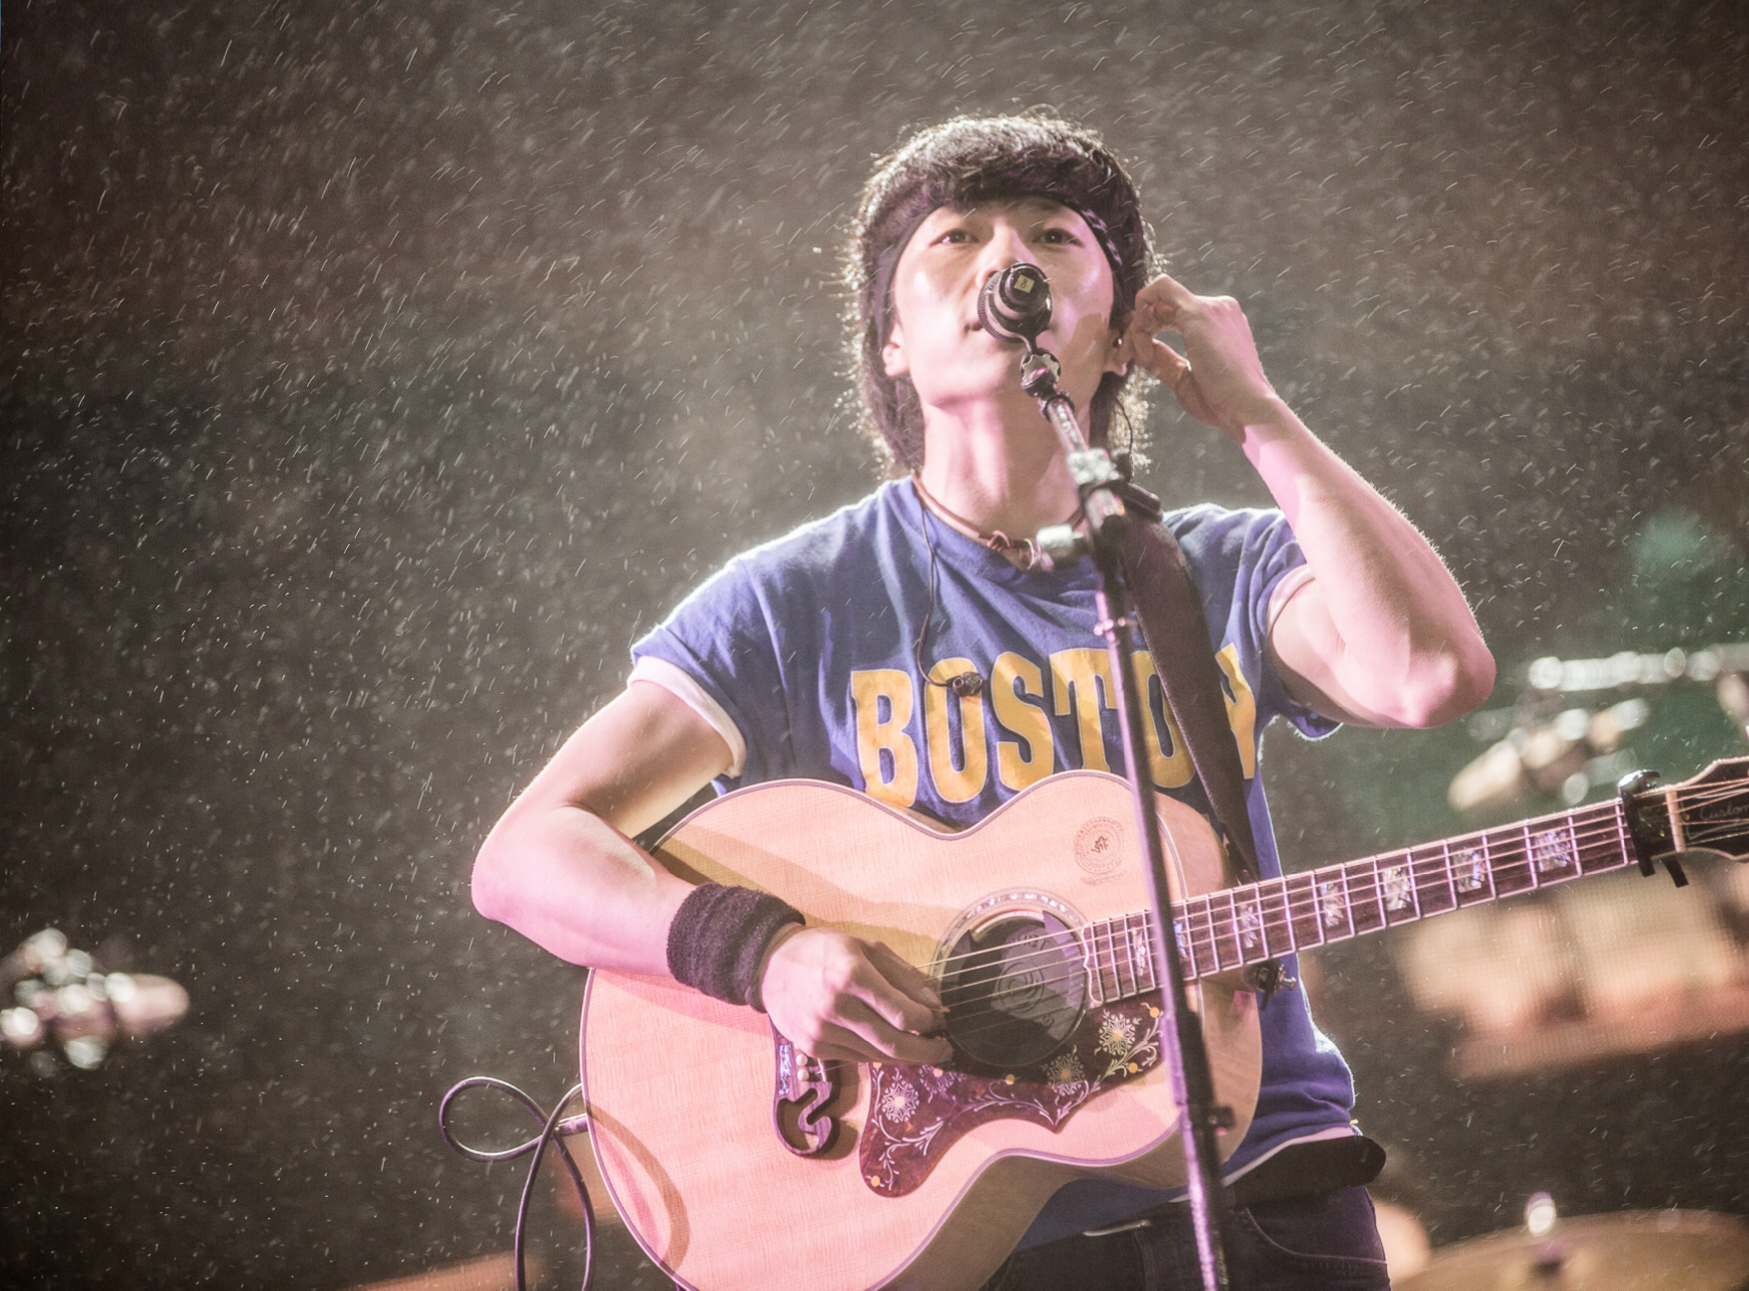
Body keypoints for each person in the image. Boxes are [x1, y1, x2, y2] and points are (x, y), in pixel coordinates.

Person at [472, 114, 1494, 1290]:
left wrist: (1256, 413)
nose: (1007, 256)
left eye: (1055, 237)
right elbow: (524, 857)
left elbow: (1429, 675)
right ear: (891, 341)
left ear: (1120, 331)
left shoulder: (1215, 569)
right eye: (955, 236)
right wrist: (763, 953)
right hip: (957, 1235)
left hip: (1262, 1190)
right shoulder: (795, 602)